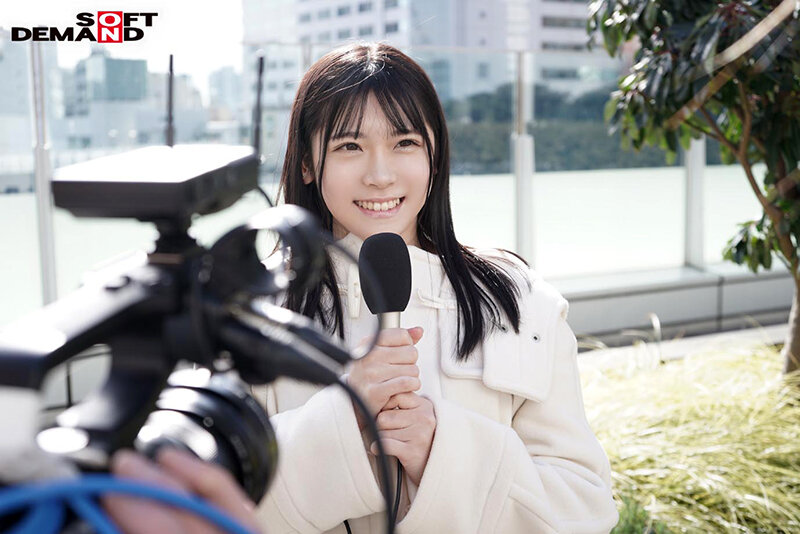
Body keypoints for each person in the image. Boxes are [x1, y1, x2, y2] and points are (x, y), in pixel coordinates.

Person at [249, 41, 619, 534]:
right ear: (307, 165)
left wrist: (441, 452)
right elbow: (206, 500)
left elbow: (584, 506)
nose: (380, 175)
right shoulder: (251, 314)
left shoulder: (519, 302)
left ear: (435, 155)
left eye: (405, 143)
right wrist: (343, 414)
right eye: (349, 147)